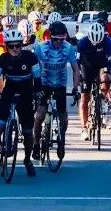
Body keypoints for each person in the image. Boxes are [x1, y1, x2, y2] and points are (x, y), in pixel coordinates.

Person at [0, 27, 41, 177]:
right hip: (8, 92)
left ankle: (27, 160)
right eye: (11, 46)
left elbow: (37, 78)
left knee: (27, 133)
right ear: (6, 46)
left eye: (18, 45)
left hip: (26, 93)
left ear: (21, 45)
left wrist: (38, 92)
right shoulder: (2, 59)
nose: (15, 49)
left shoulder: (31, 58)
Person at [31, 20, 80, 161]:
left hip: (60, 85)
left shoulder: (69, 48)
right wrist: (35, 87)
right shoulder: (41, 48)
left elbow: (76, 70)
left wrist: (76, 88)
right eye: (55, 39)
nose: (59, 42)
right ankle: (36, 143)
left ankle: (61, 140)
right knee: (39, 116)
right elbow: (34, 69)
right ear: (50, 37)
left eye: (61, 39)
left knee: (63, 118)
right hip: (44, 84)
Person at [76, 22, 111, 141]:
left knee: (106, 79)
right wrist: (79, 75)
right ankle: (84, 128)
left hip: (102, 65)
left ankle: (102, 97)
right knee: (85, 98)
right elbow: (77, 62)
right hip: (87, 67)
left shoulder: (107, 42)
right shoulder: (83, 43)